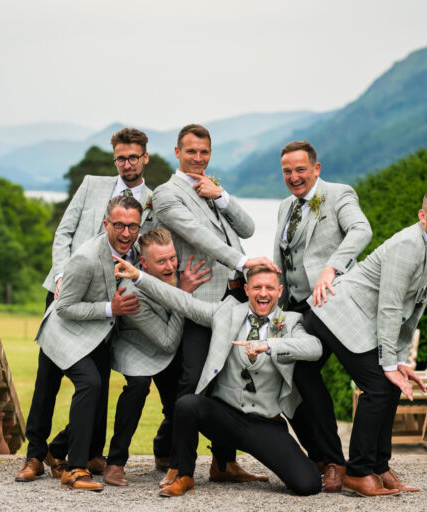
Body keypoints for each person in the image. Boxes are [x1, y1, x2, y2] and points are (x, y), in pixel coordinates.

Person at [295, 185, 427, 496]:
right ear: (423, 216)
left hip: (359, 318)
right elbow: (390, 306)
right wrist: (387, 365)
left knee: (390, 384)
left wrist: (398, 361)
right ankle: (357, 472)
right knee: (378, 386)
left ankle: (379, 467)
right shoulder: (408, 245)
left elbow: (412, 312)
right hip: (336, 312)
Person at [113, 260, 322, 498]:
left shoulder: (290, 322)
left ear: (279, 291)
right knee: (187, 404)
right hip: (224, 417)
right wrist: (139, 276)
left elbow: (314, 347)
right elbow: (181, 301)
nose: (263, 293)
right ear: (246, 290)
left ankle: (226, 466)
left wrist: (268, 345)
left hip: (263, 423)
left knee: (308, 484)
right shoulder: (226, 312)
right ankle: (184, 475)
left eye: (269, 288)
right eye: (257, 287)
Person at [17, 128, 154, 482]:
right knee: (47, 378)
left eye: (133, 157)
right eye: (121, 158)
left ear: (145, 158)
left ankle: (86, 452)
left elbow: (148, 251)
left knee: (98, 378)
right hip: (67, 290)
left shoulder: (153, 201)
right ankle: (34, 455)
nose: (127, 163)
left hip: (112, 302)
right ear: (115, 159)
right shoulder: (92, 184)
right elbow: (64, 232)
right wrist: (63, 274)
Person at [151, 123, 277, 485]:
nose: (198, 158)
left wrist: (221, 196)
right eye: (191, 152)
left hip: (235, 297)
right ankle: (179, 464)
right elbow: (198, 236)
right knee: (192, 379)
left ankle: (224, 463)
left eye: (204, 152)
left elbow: (249, 227)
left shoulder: (210, 187)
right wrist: (242, 263)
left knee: (230, 377)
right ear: (177, 152)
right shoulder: (166, 194)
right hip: (199, 297)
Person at [29, 195, 144, 491]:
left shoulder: (137, 253)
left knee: (96, 393)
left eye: (133, 226)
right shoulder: (86, 257)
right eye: (119, 225)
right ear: (107, 224)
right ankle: (75, 470)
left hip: (96, 334)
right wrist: (111, 309)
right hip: (63, 331)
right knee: (90, 383)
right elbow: (63, 307)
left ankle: (57, 450)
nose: (126, 233)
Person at [273, 140, 372, 475]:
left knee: (362, 379)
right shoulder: (285, 205)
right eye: (287, 171)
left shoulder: (339, 194)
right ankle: (327, 458)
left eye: (300, 169)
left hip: (333, 301)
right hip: (296, 309)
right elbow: (285, 258)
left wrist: (333, 267)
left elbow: (361, 230)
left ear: (316, 168)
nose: (294, 176)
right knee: (297, 375)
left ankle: (360, 463)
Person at [105, 228, 209, 486]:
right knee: (138, 388)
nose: (170, 265)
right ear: (143, 264)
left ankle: (164, 451)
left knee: (179, 400)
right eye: (161, 261)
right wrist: (181, 294)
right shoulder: (132, 291)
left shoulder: (174, 273)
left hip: (165, 346)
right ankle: (115, 463)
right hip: (136, 346)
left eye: (172, 258)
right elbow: (166, 341)